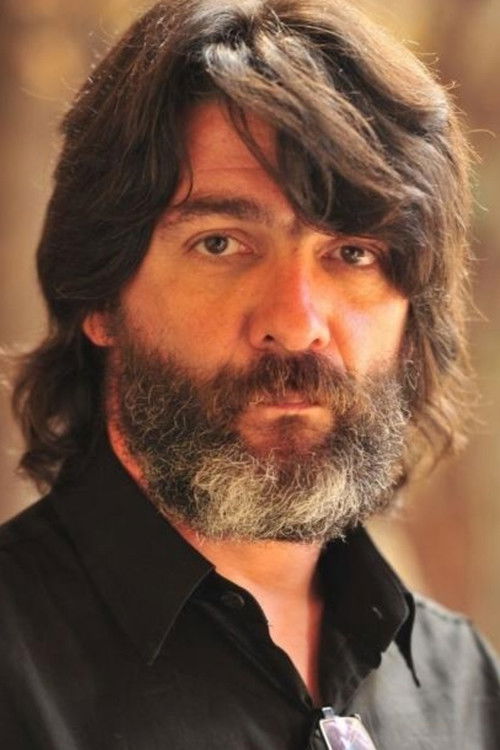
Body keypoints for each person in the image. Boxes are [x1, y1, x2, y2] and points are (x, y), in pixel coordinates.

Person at [1, 0, 499, 747]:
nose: (296, 323)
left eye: (353, 253)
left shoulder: (464, 686)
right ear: (100, 296)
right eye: (221, 243)